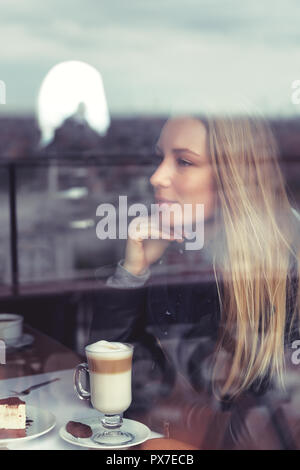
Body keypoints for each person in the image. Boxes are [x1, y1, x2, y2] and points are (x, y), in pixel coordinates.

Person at [90, 115, 300, 449]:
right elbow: (107, 386)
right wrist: (133, 272)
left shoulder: (289, 268)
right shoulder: (182, 249)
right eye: (160, 157)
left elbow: (280, 425)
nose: (157, 176)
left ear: (235, 177)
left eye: (184, 161)